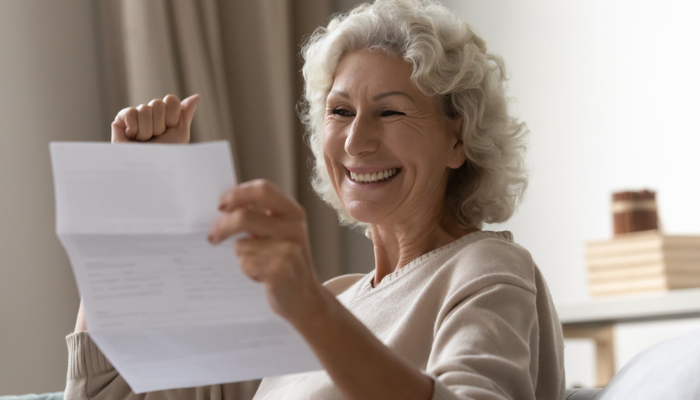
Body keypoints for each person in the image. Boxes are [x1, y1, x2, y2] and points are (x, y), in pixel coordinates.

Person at [65, 1, 565, 399]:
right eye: (341, 111)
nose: (355, 141)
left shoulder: (486, 268)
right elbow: (107, 394)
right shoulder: (333, 297)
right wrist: (133, 189)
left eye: (389, 113)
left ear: (458, 139)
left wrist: (308, 309)